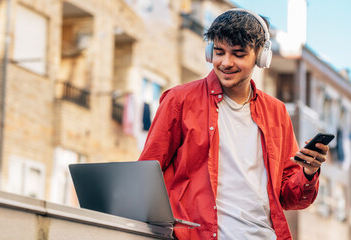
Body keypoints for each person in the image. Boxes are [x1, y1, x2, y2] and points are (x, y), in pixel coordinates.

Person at [138, 8, 329, 240]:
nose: (226, 62)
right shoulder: (180, 100)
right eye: (219, 52)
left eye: (238, 54)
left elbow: (290, 198)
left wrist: (309, 171)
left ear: (260, 56)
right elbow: (148, 173)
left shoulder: (277, 112)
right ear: (210, 52)